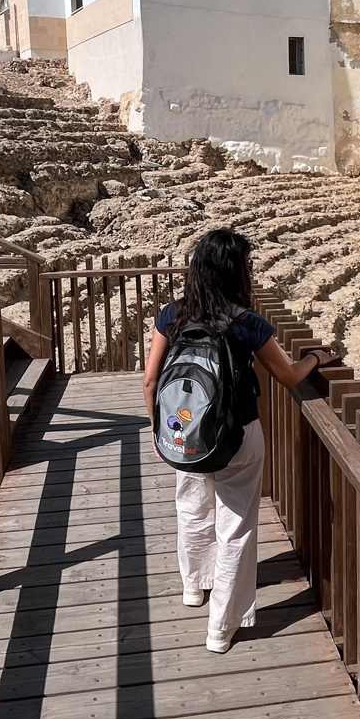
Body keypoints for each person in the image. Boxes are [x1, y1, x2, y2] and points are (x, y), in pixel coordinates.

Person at [143, 228, 336, 653]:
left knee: (191, 508)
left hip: (183, 431)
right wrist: (315, 358)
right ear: (235, 272)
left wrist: (160, 431)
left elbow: (151, 379)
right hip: (239, 435)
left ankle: (194, 587)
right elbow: (286, 376)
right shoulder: (247, 322)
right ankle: (221, 627)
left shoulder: (171, 314)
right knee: (235, 528)